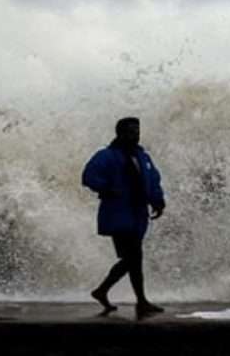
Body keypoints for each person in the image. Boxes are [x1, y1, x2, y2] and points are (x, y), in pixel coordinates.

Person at [82, 117, 166, 317]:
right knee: (134, 257)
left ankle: (103, 291)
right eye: (130, 131)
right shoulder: (107, 156)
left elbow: (154, 180)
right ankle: (140, 301)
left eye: (137, 131)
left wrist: (158, 200)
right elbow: (88, 177)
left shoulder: (143, 157)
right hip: (117, 214)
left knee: (132, 259)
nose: (135, 134)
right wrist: (108, 188)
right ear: (119, 133)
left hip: (138, 214)